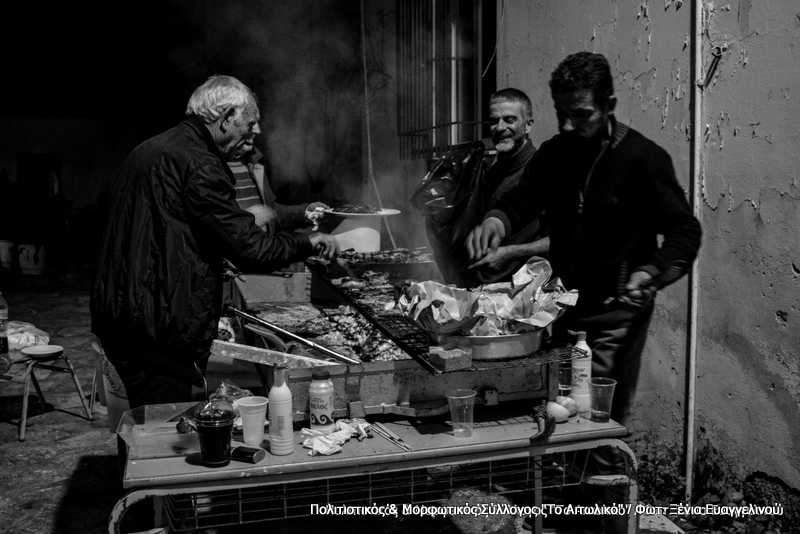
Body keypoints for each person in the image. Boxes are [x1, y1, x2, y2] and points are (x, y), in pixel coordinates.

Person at [467, 52, 701, 426]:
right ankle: (574, 465)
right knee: (559, 404)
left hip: (616, 313)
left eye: (581, 115)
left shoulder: (642, 158)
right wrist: (496, 221)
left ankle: (605, 464)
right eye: (561, 113)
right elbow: (523, 197)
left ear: (609, 106)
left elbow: (684, 231)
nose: (568, 125)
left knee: (597, 414)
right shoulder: (556, 152)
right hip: (564, 305)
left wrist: (651, 272)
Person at [91, 75, 338, 408]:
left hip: (122, 313)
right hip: (156, 325)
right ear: (225, 118)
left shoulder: (150, 149)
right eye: (250, 122)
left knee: (145, 416)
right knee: (162, 419)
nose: (256, 131)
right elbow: (251, 249)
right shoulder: (201, 164)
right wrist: (308, 242)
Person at [422, 88, 549, 287]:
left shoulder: (541, 171)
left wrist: (511, 253)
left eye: (510, 120)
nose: (500, 128)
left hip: (522, 291)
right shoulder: (490, 171)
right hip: (482, 287)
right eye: (494, 121)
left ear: (528, 125)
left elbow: (562, 240)